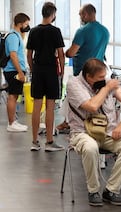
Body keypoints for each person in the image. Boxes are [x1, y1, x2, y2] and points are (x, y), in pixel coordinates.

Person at [66, 58, 121, 207]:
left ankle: (112, 190)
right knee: (90, 147)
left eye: (104, 77)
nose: (104, 80)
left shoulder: (107, 82)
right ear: (88, 77)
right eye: (100, 78)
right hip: (82, 133)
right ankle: (93, 190)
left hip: (108, 133)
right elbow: (92, 106)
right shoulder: (74, 84)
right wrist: (106, 88)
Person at [56, 3, 110, 133]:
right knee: (95, 98)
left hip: (83, 71)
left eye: (80, 15)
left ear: (85, 14)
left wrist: (65, 52)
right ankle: (95, 124)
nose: (80, 17)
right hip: (99, 70)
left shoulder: (82, 30)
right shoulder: (105, 30)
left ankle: (68, 123)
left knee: (74, 98)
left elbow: (72, 53)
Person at [26, 2, 65, 151]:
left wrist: (32, 68)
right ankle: (49, 142)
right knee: (50, 106)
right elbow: (60, 53)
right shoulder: (55, 31)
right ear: (53, 14)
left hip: (38, 70)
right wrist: (61, 69)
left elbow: (29, 54)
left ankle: (34, 141)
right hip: (51, 70)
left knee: (37, 105)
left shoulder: (34, 31)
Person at [3, 13, 31, 132]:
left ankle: (13, 121)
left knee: (14, 96)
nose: (27, 26)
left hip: (15, 70)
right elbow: (13, 55)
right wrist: (20, 72)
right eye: (26, 24)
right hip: (13, 70)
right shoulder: (13, 36)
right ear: (20, 24)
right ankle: (11, 123)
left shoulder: (17, 35)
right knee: (12, 96)